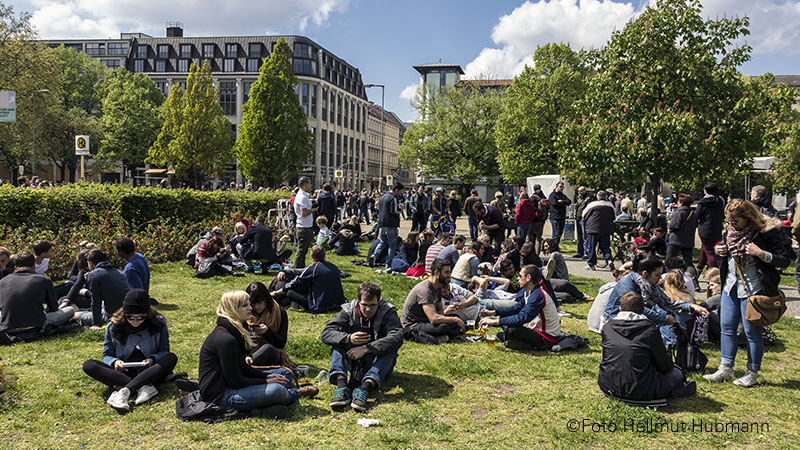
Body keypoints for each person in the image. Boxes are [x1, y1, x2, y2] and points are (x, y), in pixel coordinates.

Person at [704, 199, 789, 387]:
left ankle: (752, 371)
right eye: (729, 221)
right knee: (726, 327)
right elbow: (727, 258)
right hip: (730, 286)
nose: (731, 225)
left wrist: (761, 253)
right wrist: (720, 252)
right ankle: (726, 368)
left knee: (752, 331)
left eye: (735, 221)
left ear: (748, 217)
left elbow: (784, 260)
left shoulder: (766, 232)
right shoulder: (730, 232)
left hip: (754, 288)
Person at [198, 291, 315, 419]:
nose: (250, 308)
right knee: (276, 390)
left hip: (233, 385)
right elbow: (235, 381)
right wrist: (265, 380)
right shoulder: (226, 339)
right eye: (245, 306)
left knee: (284, 374)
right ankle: (295, 394)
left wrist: (268, 376)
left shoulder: (234, 330)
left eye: (249, 304)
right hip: (222, 395)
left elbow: (243, 368)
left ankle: (267, 405)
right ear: (233, 310)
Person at [82, 289, 177, 413]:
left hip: (149, 370)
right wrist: (115, 362)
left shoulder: (158, 323)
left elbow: (164, 350)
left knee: (171, 358)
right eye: (130, 317)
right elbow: (107, 354)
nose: (135, 321)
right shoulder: (114, 326)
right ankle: (142, 386)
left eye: (140, 318)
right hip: (124, 372)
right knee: (89, 365)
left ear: (147, 315)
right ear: (124, 314)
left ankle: (125, 391)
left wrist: (152, 359)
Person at [598, 292, 696, 401]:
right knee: (676, 373)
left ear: (620, 309)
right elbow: (665, 366)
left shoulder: (608, 327)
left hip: (609, 385)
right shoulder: (649, 330)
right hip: (642, 390)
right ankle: (675, 390)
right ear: (643, 310)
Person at [321, 282, 403, 411]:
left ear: (379, 301)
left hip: (377, 360)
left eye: (373, 305)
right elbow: (327, 332)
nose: (368, 309)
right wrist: (347, 338)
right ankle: (342, 387)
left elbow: (397, 336)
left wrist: (366, 348)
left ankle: (365, 388)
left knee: (390, 349)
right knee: (338, 345)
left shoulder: (387, 311)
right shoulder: (348, 310)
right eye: (364, 305)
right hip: (353, 359)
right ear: (358, 300)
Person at [602, 255, 708, 347]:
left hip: (638, 318)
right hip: (616, 320)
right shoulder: (628, 282)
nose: (660, 278)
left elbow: (668, 303)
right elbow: (636, 309)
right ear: (645, 273)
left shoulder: (651, 285)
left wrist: (691, 306)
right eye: (657, 275)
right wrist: (664, 318)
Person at [479, 265, 561, 351]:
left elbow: (522, 318)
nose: (517, 278)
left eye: (520, 276)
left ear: (528, 277)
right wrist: (493, 312)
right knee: (505, 320)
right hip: (536, 329)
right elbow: (515, 309)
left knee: (512, 330)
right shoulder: (529, 292)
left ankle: (524, 344)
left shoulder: (538, 295)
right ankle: (513, 339)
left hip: (547, 337)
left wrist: (494, 321)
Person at [0, 252, 74, 341]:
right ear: (34, 265)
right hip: (35, 325)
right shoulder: (43, 280)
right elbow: (53, 308)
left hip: (8, 327)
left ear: (15, 267)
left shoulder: (3, 281)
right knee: (70, 310)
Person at [401, 258, 465, 344]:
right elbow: (434, 319)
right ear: (436, 273)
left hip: (426, 320)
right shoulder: (425, 290)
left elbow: (440, 312)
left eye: (450, 272)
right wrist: (455, 320)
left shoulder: (438, 287)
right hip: (414, 325)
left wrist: (455, 319)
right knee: (444, 327)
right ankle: (442, 336)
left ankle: (444, 335)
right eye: (446, 272)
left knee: (456, 318)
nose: (449, 275)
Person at [270, 245, 345, 313]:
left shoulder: (313, 269)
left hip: (319, 306)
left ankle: (272, 297)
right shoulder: (333, 267)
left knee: (290, 292)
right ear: (324, 255)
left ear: (312, 256)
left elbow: (294, 283)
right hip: (337, 303)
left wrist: (276, 293)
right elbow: (300, 271)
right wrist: (285, 271)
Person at [75, 249, 131, 329]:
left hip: (112, 315)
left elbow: (95, 301)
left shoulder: (94, 275)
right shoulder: (119, 272)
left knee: (75, 315)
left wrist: (95, 324)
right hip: (125, 311)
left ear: (90, 263)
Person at [245, 282, 290, 367]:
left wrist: (267, 332)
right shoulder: (245, 313)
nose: (256, 307)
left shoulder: (279, 312)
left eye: (259, 302)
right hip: (248, 354)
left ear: (266, 299)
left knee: (268, 349)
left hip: (272, 354)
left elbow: (281, 343)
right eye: (253, 304)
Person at [371, 182, 404, 270]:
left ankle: (374, 255)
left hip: (382, 223)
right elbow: (394, 211)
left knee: (382, 242)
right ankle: (388, 263)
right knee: (392, 245)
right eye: (400, 191)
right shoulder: (393, 198)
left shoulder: (383, 197)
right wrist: (401, 209)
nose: (400, 194)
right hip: (391, 224)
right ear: (396, 190)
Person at [696, 182, 725, 272]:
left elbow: (697, 215)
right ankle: (698, 270)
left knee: (709, 252)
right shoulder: (720, 201)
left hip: (705, 230)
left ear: (706, 191)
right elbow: (723, 214)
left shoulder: (702, 202)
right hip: (717, 229)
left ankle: (715, 272)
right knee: (705, 251)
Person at [583, 190, 615, 271]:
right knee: (605, 247)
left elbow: (584, 215)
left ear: (597, 197)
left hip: (593, 229)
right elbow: (613, 217)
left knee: (591, 247)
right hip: (606, 229)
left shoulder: (592, 204)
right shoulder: (610, 205)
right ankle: (609, 260)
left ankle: (591, 264)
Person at [666, 193, 698, 272]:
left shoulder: (679, 212)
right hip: (688, 240)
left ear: (681, 202)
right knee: (689, 262)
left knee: (669, 260)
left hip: (676, 240)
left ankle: (667, 277)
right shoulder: (693, 213)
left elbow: (673, 225)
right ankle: (694, 280)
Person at [294, 176, 318, 268]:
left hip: (306, 226)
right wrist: (313, 210)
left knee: (303, 250)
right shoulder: (302, 197)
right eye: (309, 183)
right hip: (303, 227)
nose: (311, 186)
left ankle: (300, 266)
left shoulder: (304, 195)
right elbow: (303, 213)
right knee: (301, 250)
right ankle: (298, 268)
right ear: (305, 185)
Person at [573, 186, 592, 258]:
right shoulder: (578, 198)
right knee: (579, 237)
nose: (579, 192)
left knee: (585, 237)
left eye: (581, 191)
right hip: (578, 218)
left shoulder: (588, 198)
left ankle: (586, 253)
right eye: (578, 191)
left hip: (583, 219)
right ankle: (579, 252)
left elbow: (588, 209)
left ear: (585, 191)